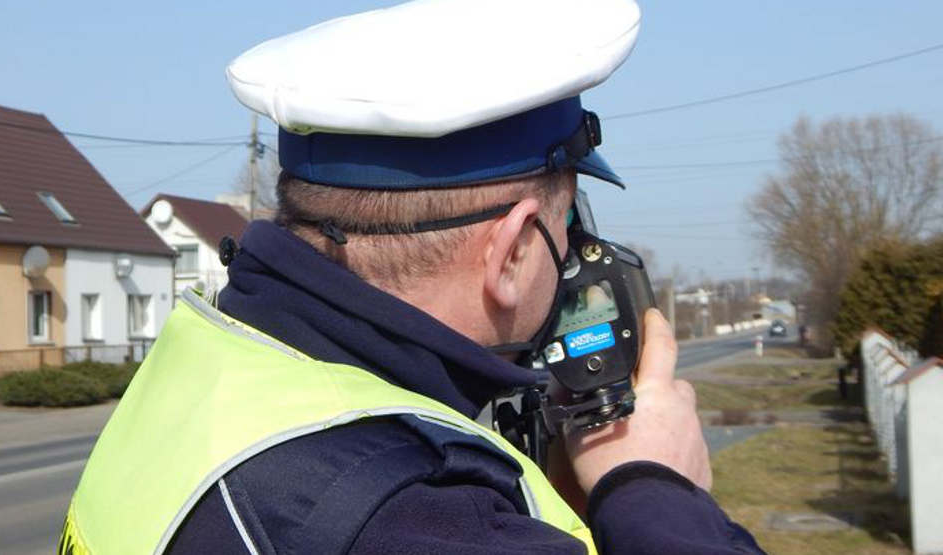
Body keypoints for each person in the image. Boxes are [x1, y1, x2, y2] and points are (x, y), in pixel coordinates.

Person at [61, 1, 763, 553]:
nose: (579, 249)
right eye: (568, 221)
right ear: (514, 250)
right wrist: (653, 485)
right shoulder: (409, 512)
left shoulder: (212, 363)